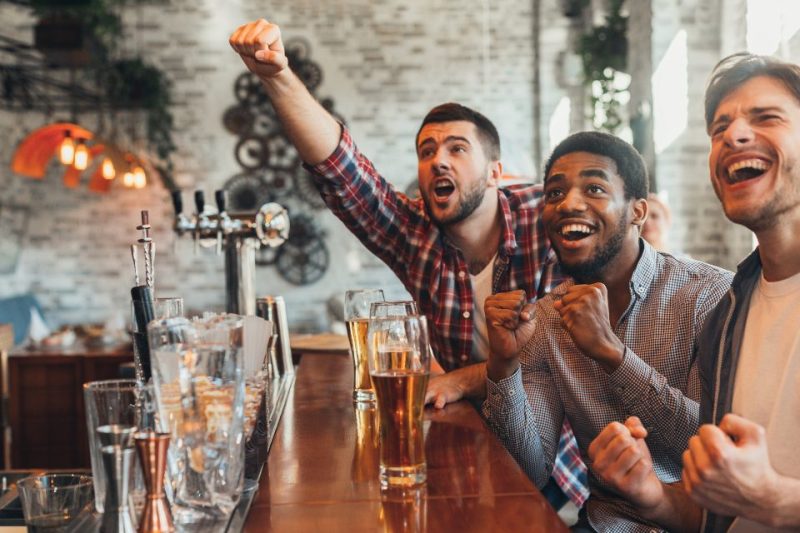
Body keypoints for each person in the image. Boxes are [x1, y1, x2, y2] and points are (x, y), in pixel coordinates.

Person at [228, 19, 587, 507]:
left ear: (495, 173)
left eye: (457, 149)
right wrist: (277, 76)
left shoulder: (547, 217)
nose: (438, 161)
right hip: (474, 450)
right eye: (427, 151)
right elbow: (342, 172)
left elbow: (563, 351)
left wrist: (461, 378)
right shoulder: (415, 233)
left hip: (564, 472)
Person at [589, 52, 800, 532]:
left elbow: (761, 500)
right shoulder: (727, 318)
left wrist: (775, 500)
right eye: (719, 128)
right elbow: (717, 514)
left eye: (766, 117)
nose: (733, 135)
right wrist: (651, 494)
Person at [481, 131, 732, 531]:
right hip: (605, 524)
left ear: (638, 212)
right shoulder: (545, 319)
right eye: (555, 193)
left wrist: (612, 354)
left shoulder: (710, 295)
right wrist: (503, 363)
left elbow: (709, 447)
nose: (569, 204)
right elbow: (529, 470)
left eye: (594, 188)